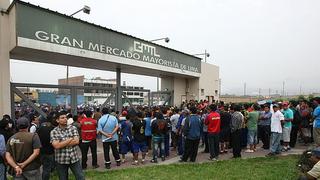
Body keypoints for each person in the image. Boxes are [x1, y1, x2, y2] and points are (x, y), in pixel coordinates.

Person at [50, 111, 84, 180]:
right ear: (57, 120)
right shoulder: (54, 131)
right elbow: (56, 146)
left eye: (66, 117)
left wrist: (61, 143)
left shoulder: (73, 128)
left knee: (80, 177)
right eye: (62, 118)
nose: (65, 119)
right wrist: (70, 139)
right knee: (63, 178)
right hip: (61, 160)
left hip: (74, 158)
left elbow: (77, 141)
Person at [37, 112, 55, 180]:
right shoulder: (53, 129)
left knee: (37, 168)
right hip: (49, 152)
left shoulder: (40, 128)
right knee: (46, 169)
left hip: (40, 151)